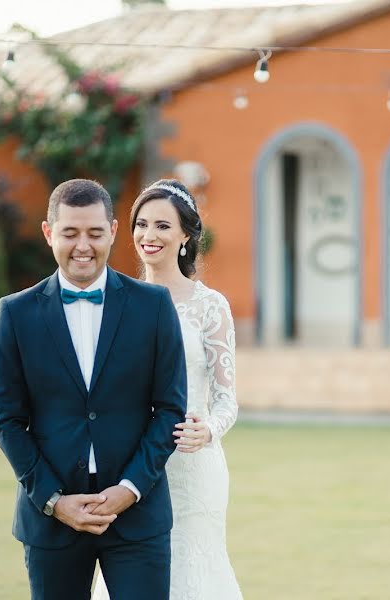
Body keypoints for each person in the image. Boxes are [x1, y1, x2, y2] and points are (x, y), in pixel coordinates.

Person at [0, 179, 187, 600]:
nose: (83, 245)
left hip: (138, 517)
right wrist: (54, 501)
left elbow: (169, 409)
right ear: (49, 233)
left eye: (95, 233)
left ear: (113, 232)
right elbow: (7, 420)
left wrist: (128, 489)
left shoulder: (153, 306)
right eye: (70, 233)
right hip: (50, 521)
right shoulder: (15, 314)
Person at [93, 179, 242, 599]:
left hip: (193, 465)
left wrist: (209, 429)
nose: (148, 235)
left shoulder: (210, 306)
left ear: (185, 236)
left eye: (162, 225)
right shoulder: (112, 300)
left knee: (196, 569)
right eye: (141, 224)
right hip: (130, 464)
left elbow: (227, 398)